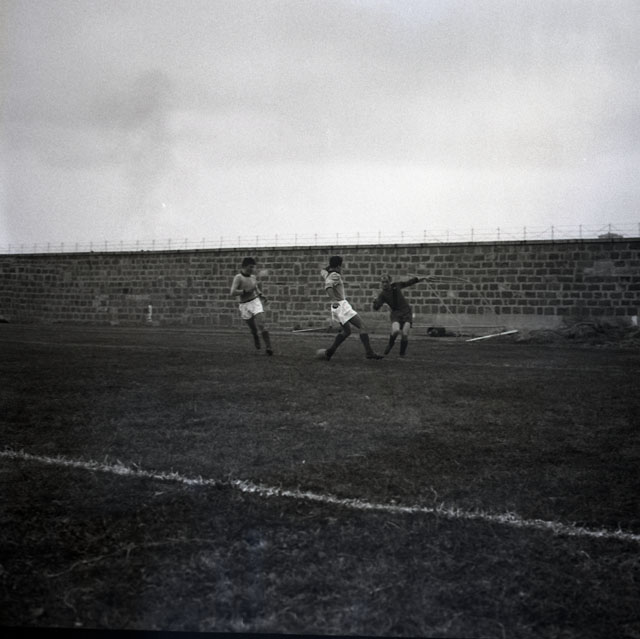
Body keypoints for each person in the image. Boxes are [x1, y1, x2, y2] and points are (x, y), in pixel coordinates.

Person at [318, 256, 383, 360]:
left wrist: (331, 266)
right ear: (338, 266)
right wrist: (334, 299)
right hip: (341, 305)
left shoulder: (327, 274)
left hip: (336, 308)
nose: (341, 268)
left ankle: (330, 352)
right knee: (362, 326)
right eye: (341, 266)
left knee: (347, 331)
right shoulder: (335, 275)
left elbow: (322, 270)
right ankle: (369, 352)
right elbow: (328, 286)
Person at [373, 274, 428, 357]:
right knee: (395, 331)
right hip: (396, 314)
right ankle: (390, 344)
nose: (384, 284)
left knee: (405, 334)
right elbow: (376, 307)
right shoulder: (383, 294)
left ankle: (402, 353)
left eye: (386, 282)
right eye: (383, 282)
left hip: (406, 312)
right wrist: (375, 301)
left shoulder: (396, 286)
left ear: (390, 282)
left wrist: (423, 278)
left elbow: (409, 282)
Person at [230, 257, 273, 355]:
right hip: (244, 305)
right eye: (250, 267)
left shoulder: (253, 277)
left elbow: (255, 288)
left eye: (253, 267)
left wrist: (261, 295)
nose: (252, 269)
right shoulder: (238, 278)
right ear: (244, 266)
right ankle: (255, 336)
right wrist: (244, 291)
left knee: (262, 324)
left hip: (254, 301)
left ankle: (269, 347)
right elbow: (232, 292)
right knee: (253, 328)